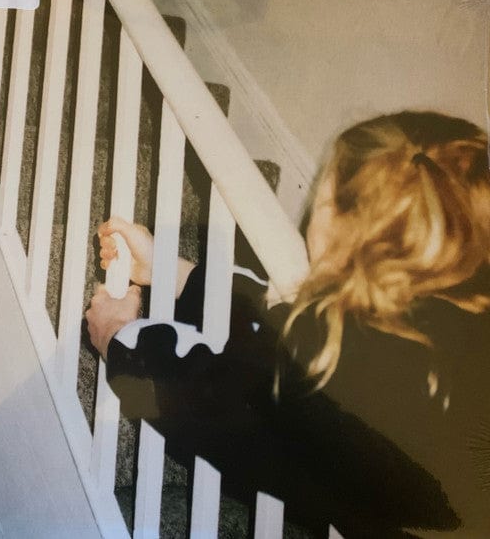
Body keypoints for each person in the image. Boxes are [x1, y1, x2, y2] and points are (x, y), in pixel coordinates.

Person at [85, 111, 490, 538]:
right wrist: (169, 269)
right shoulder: (453, 339)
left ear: (340, 221)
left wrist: (119, 337)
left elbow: (208, 407)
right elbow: (273, 326)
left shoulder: (345, 360)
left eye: (321, 196)